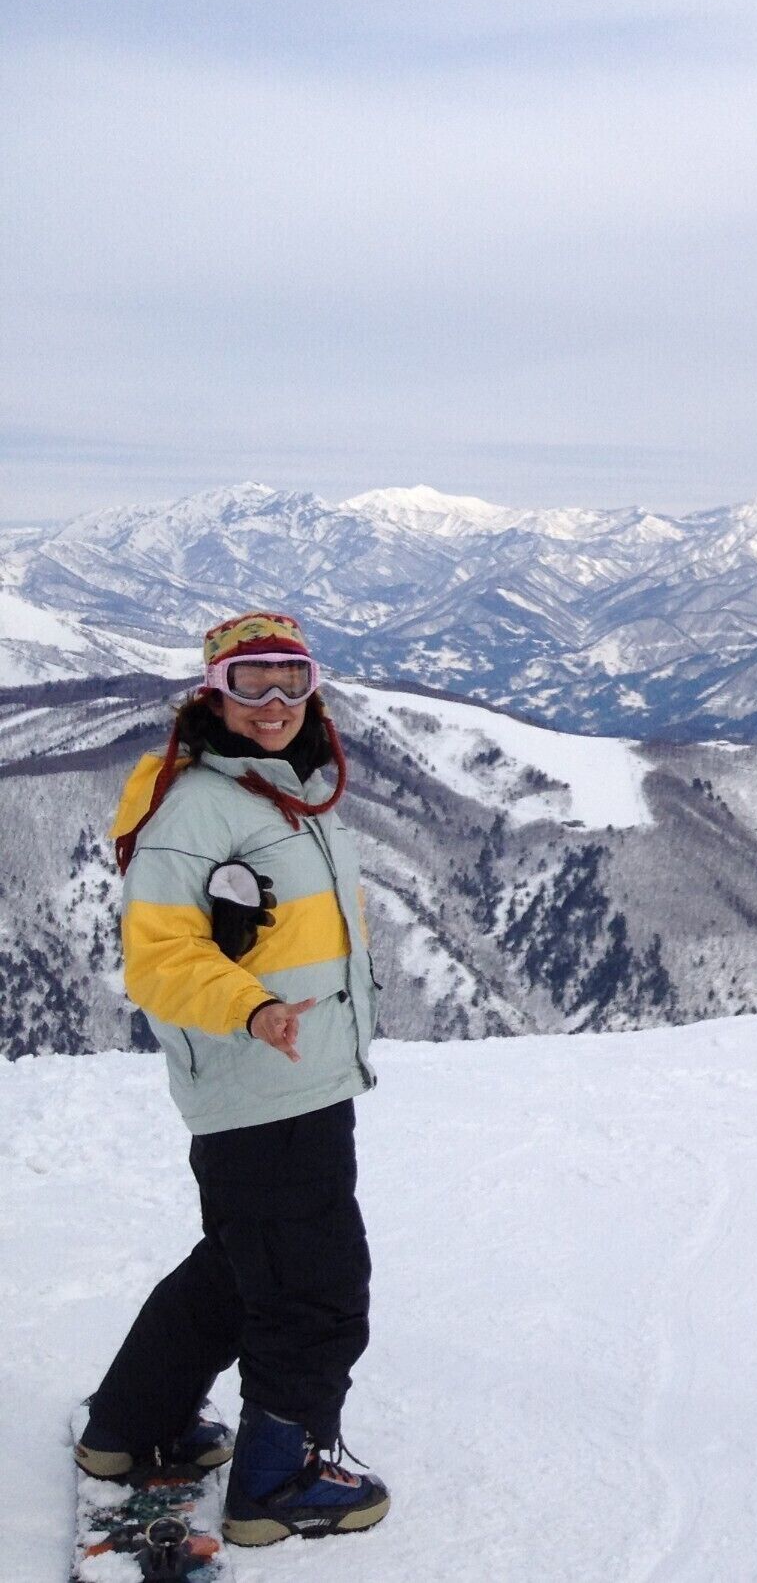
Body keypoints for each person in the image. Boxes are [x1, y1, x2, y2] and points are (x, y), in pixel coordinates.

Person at [78, 611, 391, 1545]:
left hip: (298, 1076)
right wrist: (251, 1008)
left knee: (238, 1265)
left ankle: (129, 1431)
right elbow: (157, 959)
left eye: (291, 681)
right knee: (317, 1288)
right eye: (249, 683)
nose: (273, 704)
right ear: (213, 692)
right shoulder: (200, 807)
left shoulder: (281, 792)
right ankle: (277, 1482)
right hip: (263, 1082)